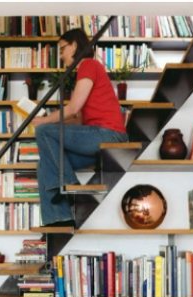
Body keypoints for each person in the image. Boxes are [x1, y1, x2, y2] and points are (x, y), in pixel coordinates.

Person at [31, 28, 129, 227]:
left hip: (109, 136)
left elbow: (73, 108)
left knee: (43, 131)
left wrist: (43, 121)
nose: (61, 56)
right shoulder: (85, 71)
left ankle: (69, 185)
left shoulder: (88, 65)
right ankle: (59, 219)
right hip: (95, 139)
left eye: (62, 49)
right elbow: (78, 120)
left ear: (74, 45)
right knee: (44, 165)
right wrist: (50, 121)